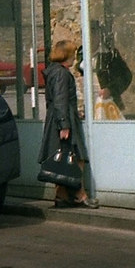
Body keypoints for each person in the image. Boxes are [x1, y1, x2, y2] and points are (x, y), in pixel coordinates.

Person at [38, 40, 99, 208]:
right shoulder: (61, 74)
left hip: (58, 118)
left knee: (62, 157)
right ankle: (80, 195)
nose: (74, 58)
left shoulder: (55, 71)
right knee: (76, 158)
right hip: (63, 120)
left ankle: (62, 196)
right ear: (66, 55)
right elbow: (60, 99)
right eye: (72, 54)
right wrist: (64, 124)